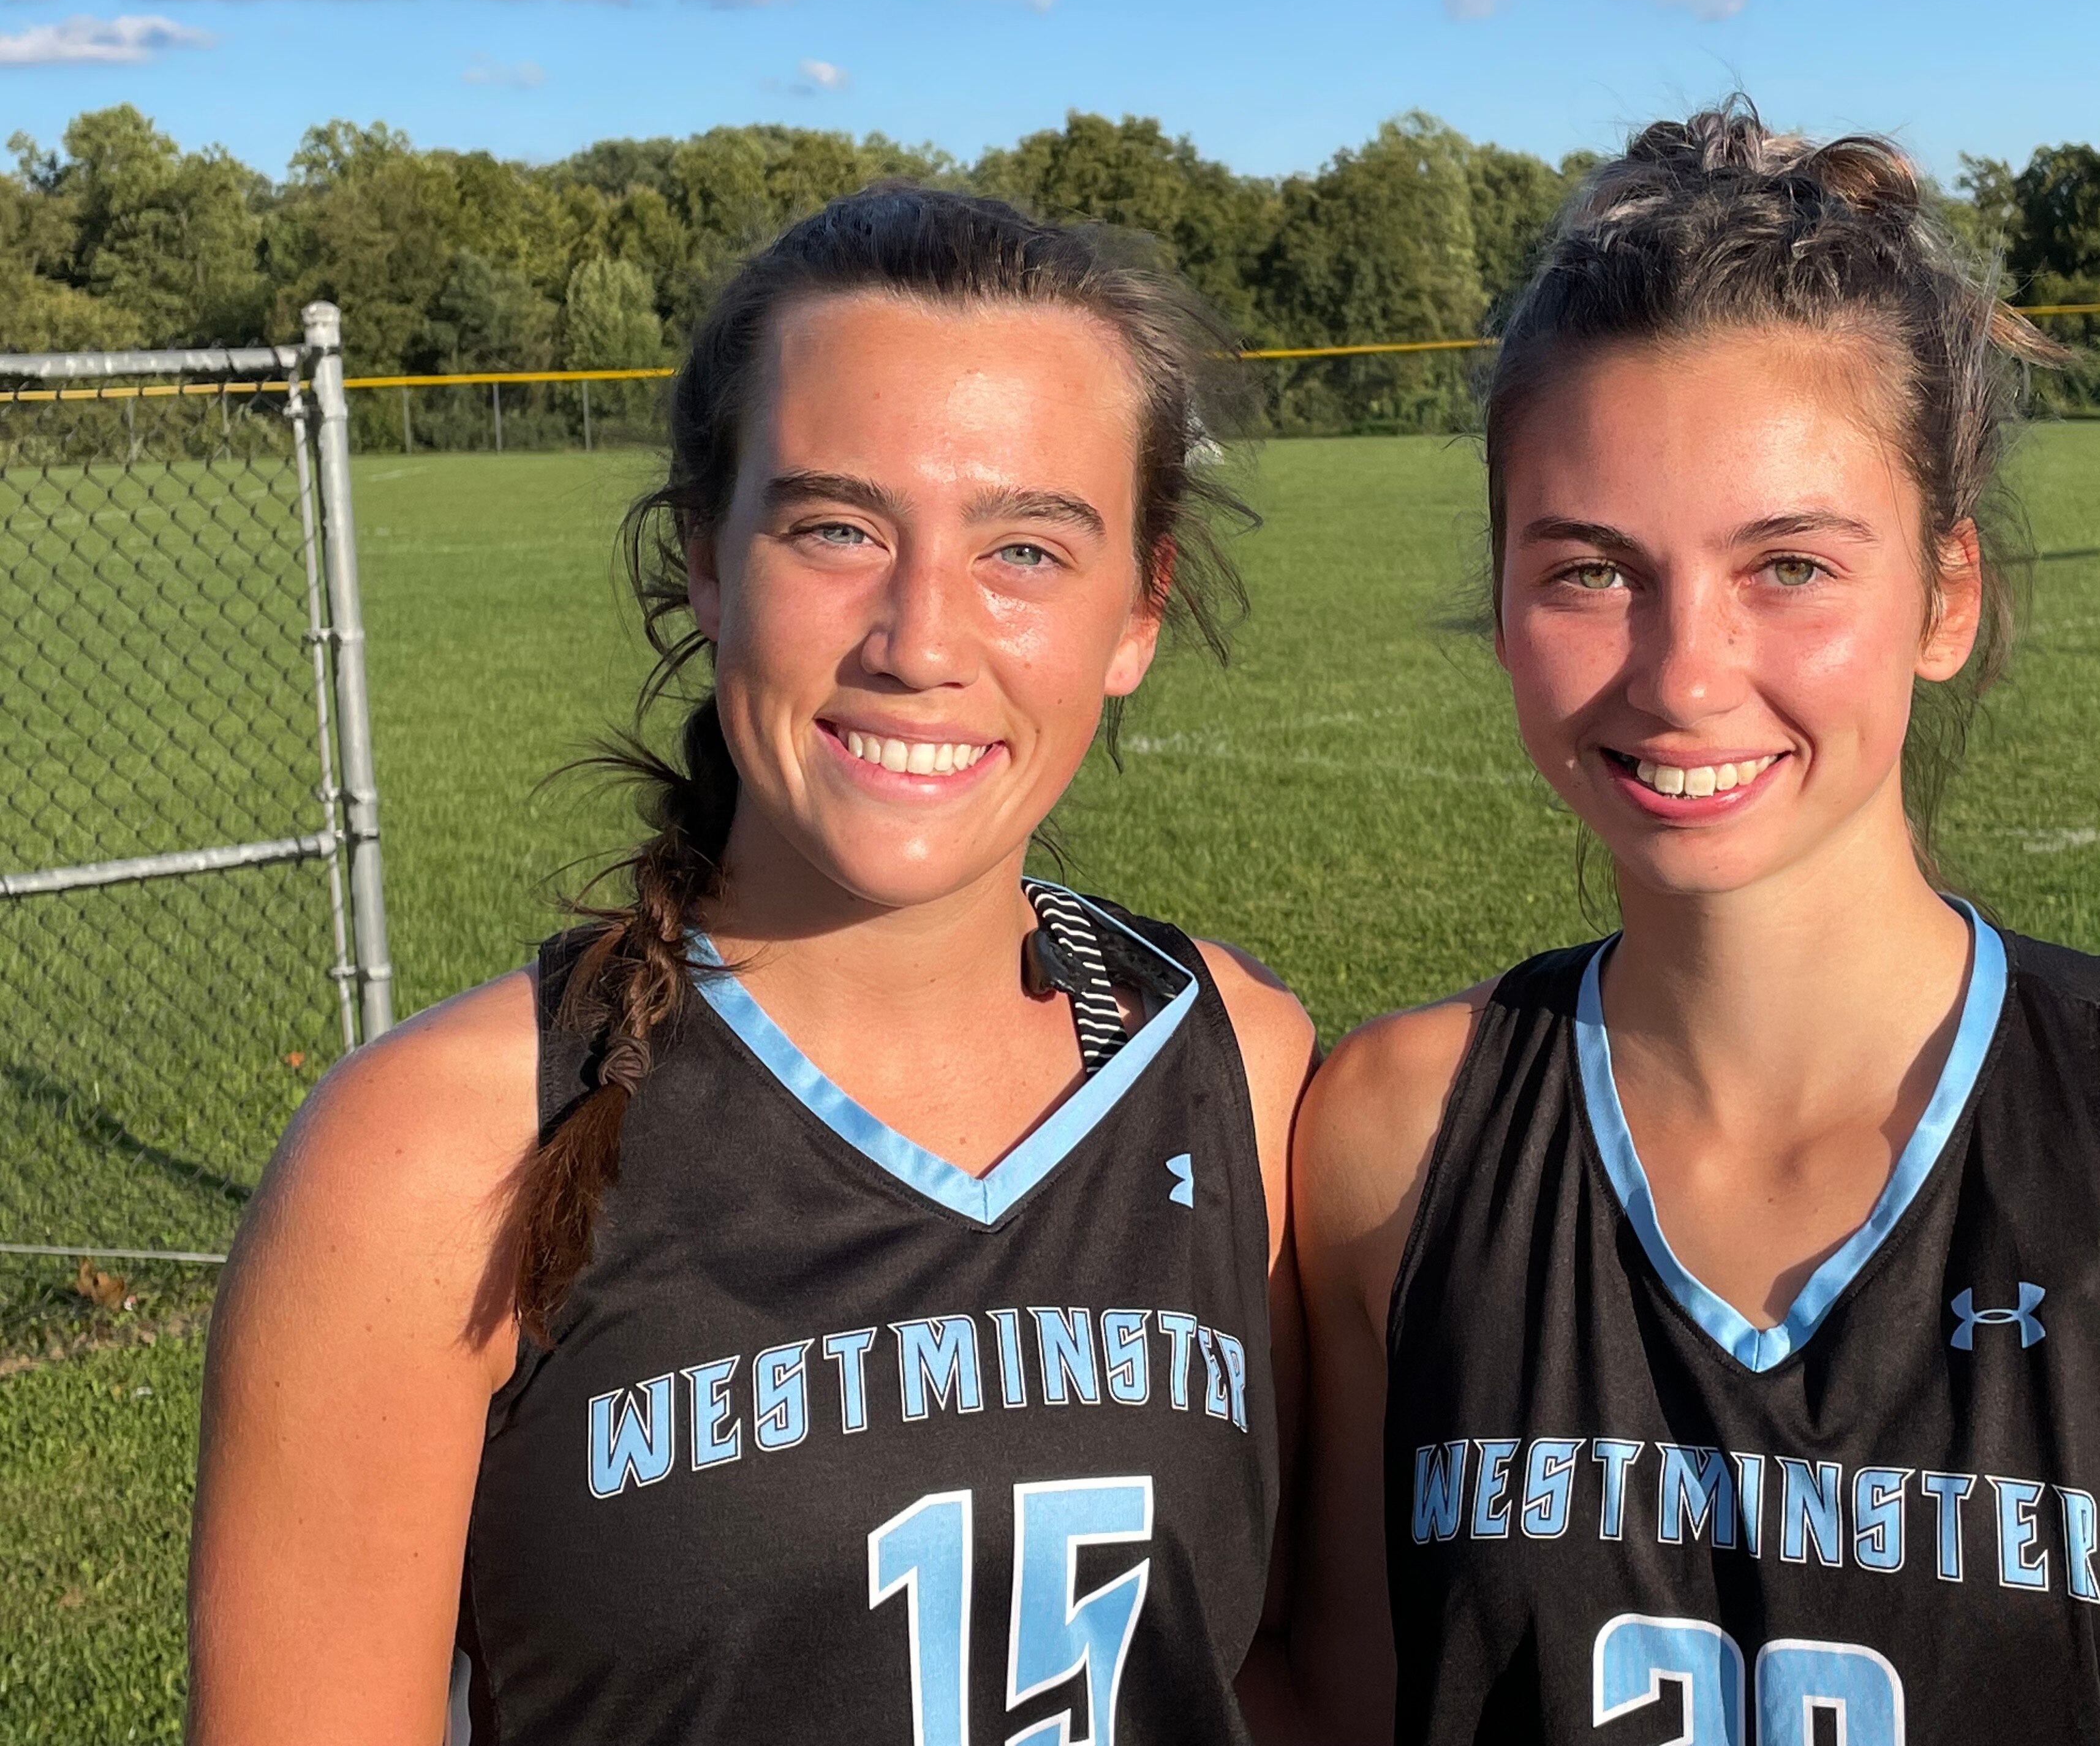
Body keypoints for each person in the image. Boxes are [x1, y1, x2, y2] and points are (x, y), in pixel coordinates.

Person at [1290, 107, 2100, 1744]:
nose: (1684, 676)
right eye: (1592, 572)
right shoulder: (1388, 1136)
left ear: (1947, 598)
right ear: (1505, 602)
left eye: (1791, 566)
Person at [186, 186, 1315, 1745]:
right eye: (837, 530)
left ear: (1139, 611)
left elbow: (1286, 1669)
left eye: (1026, 549)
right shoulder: (429, 1155)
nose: (921, 640)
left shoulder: (1237, 1066)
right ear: (707, 567)